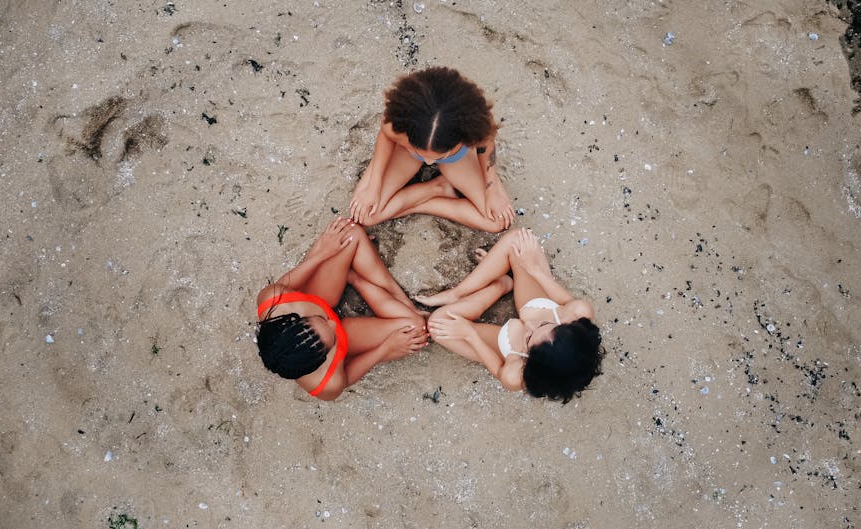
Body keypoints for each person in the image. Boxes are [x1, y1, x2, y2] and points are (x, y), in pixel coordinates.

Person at [420, 228, 603, 402]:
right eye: (542, 325)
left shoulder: (515, 375)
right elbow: (562, 298)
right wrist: (534, 269)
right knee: (519, 240)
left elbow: (499, 370)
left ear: (529, 363)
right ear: (566, 324)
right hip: (533, 300)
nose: (528, 325)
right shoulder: (578, 313)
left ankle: (500, 285)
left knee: (437, 324)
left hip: (509, 346)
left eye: (529, 338)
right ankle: (459, 292)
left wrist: (470, 334)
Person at [256, 217, 429, 401]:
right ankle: (356, 279)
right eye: (330, 340)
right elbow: (345, 378)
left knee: (349, 232)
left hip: (319, 296)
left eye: (320, 320)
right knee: (416, 329)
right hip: (348, 336)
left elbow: (292, 279)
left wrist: (323, 252)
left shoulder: (274, 299)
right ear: (321, 361)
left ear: (294, 318)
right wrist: (385, 349)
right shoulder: (326, 385)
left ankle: (394, 296)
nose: (333, 323)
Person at [349, 67, 515, 233]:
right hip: (406, 157)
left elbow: (486, 146)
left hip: (457, 162)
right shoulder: (397, 126)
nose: (429, 162)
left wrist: (492, 188)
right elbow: (385, 137)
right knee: (366, 216)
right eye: (420, 151)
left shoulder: (474, 128)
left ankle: (421, 202)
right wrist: (374, 185)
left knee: (498, 222)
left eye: (439, 156)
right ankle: (436, 187)